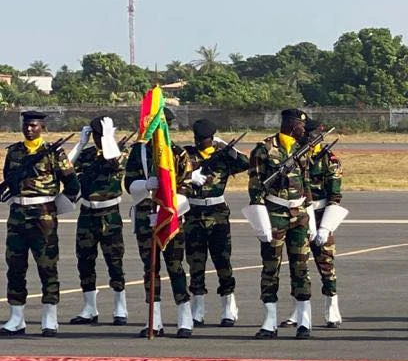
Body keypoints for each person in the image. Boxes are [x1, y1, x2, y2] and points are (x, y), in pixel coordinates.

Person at [2, 110, 80, 336]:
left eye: (34, 125)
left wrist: (58, 206)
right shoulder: (14, 152)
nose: (29, 129)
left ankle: (49, 317)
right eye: (26, 125)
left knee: (47, 266)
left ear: (42, 127)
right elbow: (8, 179)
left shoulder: (54, 153)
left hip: (43, 215)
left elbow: (72, 185)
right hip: (17, 214)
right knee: (15, 266)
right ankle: (16, 318)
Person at [124, 107, 193, 338]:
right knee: (150, 269)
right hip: (145, 216)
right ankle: (155, 320)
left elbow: (187, 186)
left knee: (175, 268)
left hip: (171, 217)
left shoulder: (177, 153)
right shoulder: (139, 153)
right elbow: (129, 183)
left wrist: (168, 207)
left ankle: (185, 319)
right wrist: (146, 185)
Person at [245, 108, 313, 339]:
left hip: (299, 214)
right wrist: (260, 218)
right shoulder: (263, 149)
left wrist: (310, 215)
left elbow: (307, 183)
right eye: (301, 125)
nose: (304, 129)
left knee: (301, 267)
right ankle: (269, 320)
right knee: (271, 268)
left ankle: (304, 320)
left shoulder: (301, 149)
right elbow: (255, 187)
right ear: (291, 124)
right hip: (274, 213)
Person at [182, 119, 250, 327]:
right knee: (195, 263)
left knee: (222, 261)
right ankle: (198, 308)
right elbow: (171, 171)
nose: (200, 142)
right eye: (197, 138)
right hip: (193, 212)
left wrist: (229, 150)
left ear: (212, 138)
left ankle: (228, 306)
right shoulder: (186, 155)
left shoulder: (221, 157)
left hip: (218, 213)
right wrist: (188, 175)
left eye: (204, 139)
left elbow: (246, 164)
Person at [68, 116, 128, 326]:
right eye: (96, 135)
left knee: (115, 261)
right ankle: (89, 307)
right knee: (85, 261)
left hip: (109, 214)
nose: (97, 139)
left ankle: (120, 305)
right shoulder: (87, 155)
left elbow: (115, 161)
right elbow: (66, 167)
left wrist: (109, 137)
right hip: (87, 214)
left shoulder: (119, 153)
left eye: (99, 135)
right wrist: (81, 143)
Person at [295, 118, 344, 328]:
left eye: (311, 135)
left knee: (326, 264)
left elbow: (335, 195)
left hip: (321, 213)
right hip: (299, 214)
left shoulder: (329, 160)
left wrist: (325, 227)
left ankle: (332, 308)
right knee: (299, 265)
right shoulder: (296, 156)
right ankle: (298, 311)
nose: (307, 138)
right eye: (305, 135)